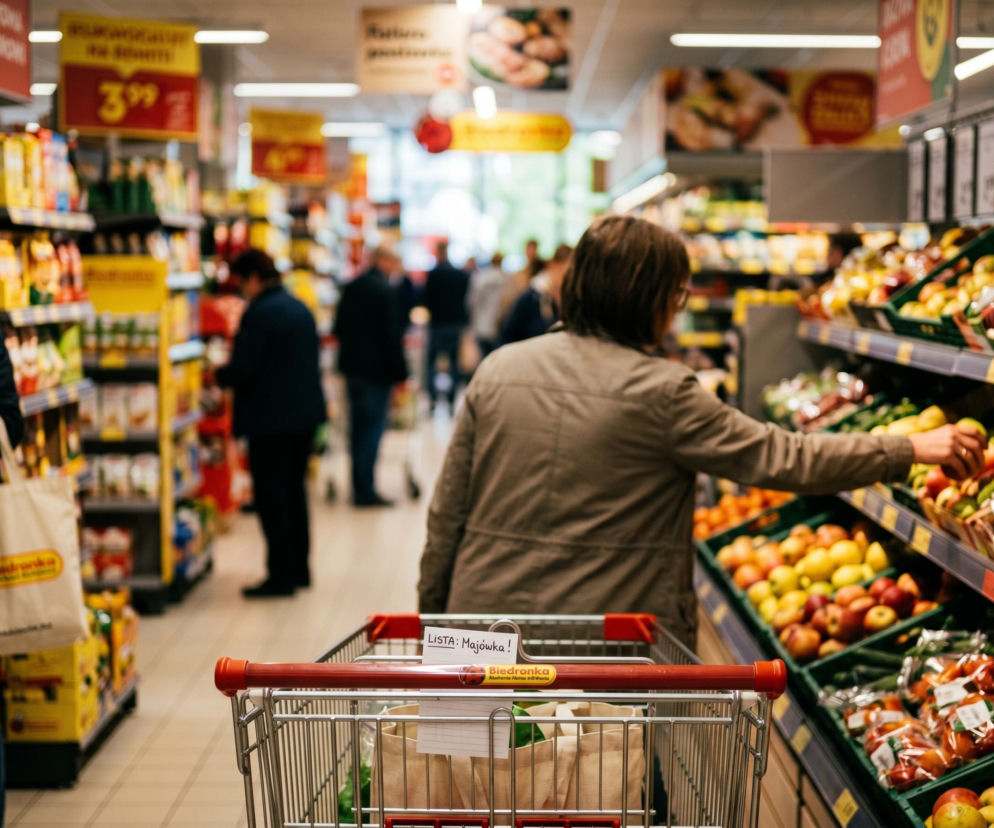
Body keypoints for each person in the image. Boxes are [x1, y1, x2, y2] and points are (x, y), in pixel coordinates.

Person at [417, 215, 984, 647]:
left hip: (482, 631)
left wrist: (433, 620)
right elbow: (784, 458)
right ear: (654, 300)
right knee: (603, 770)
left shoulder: (499, 369)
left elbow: (446, 514)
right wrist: (908, 447)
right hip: (599, 642)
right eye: (678, 296)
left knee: (482, 768)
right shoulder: (662, 391)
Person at [216, 249, 326, 598]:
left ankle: (280, 576)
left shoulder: (259, 314)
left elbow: (244, 369)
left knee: (271, 498)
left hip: (270, 421)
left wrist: (217, 374)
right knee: (294, 494)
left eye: (241, 283)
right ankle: (299, 569)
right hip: (304, 417)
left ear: (253, 278)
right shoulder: (300, 308)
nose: (241, 290)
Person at [334, 246, 409, 507]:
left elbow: (338, 327)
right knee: (372, 429)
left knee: (356, 429)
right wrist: (401, 374)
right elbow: (392, 337)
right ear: (384, 261)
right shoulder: (386, 291)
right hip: (377, 373)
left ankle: (358, 485)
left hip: (352, 369)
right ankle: (365, 490)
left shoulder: (352, 286)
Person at [423, 240, 470, 411]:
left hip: (437, 323)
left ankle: (433, 398)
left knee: (432, 363)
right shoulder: (459, 274)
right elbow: (465, 300)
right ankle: (451, 400)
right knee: (453, 363)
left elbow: (426, 298)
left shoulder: (433, 274)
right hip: (454, 324)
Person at [500, 243, 572, 344]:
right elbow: (507, 337)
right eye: (566, 272)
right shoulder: (531, 298)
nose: (570, 279)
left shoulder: (570, 301)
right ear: (553, 266)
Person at [467, 252, 507, 357]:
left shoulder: (481, 278)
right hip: (498, 325)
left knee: (484, 356)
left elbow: (472, 302)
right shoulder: (507, 280)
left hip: (481, 325)